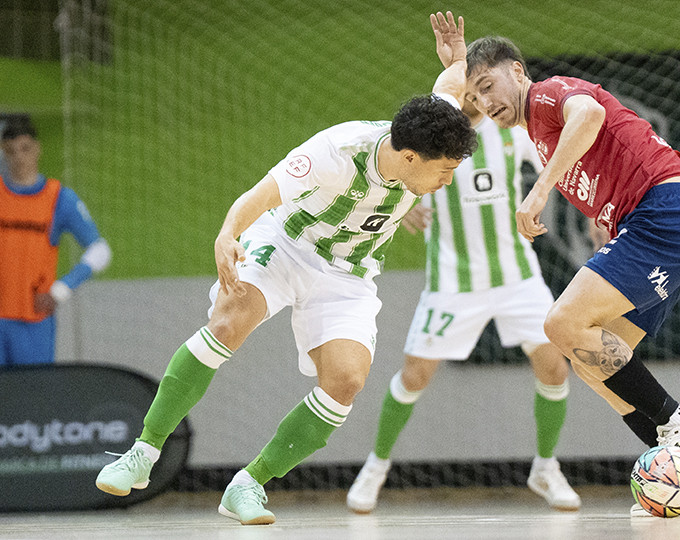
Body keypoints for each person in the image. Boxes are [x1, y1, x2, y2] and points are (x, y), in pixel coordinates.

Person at [94, 57, 478, 525]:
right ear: (410, 157)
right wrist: (228, 233)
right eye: (445, 171)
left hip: (348, 274)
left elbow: (449, 84)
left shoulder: (429, 128)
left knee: (346, 382)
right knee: (228, 322)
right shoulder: (336, 151)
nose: (448, 180)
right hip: (286, 244)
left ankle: (249, 484)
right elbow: (261, 195)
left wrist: (457, 56)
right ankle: (143, 452)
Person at [430, 12, 680, 516]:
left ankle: (679, 424)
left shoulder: (552, 94)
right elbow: (453, 120)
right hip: (674, 226)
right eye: (477, 97)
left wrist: (536, 194)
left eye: (489, 86)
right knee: (592, 361)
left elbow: (591, 116)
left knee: (561, 323)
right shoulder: (527, 125)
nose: (487, 103)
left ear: (518, 71)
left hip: (660, 220)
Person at [346, 99, 580, 514]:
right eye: (470, 85)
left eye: (485, 86)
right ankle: (376, 466)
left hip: (516, 277)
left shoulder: (509, 129)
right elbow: (390, 168)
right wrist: (403, 208)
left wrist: (594, 212)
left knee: (555, 367)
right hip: (453, 281)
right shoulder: (432, 134)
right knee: (414, 375)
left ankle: (546, 467)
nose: (478, 95)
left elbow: (562, 161)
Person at [0, 116, 111, 366]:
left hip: (33, 323)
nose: (19, 157)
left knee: (34, 398)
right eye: (11, 150)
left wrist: (61, 290)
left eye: (25, 148)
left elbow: (100, 250)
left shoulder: (59, 199)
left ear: (37, 149)